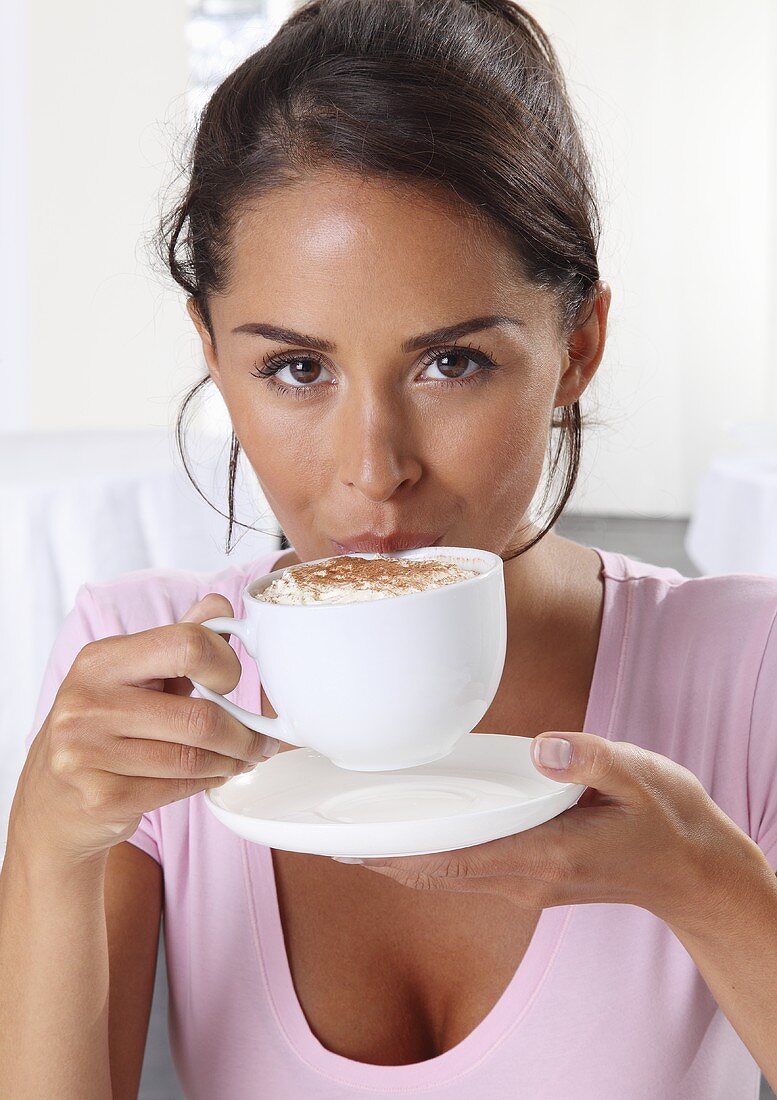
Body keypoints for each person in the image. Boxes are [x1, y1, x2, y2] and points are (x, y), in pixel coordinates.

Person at [2, 0, 776, 1096]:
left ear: (579, 346)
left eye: (450, 363)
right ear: (214, 356)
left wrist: (708, 884)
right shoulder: (140, 673)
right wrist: (48, 842)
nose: (375, 468)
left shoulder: (746, 673)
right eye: (296, 369)